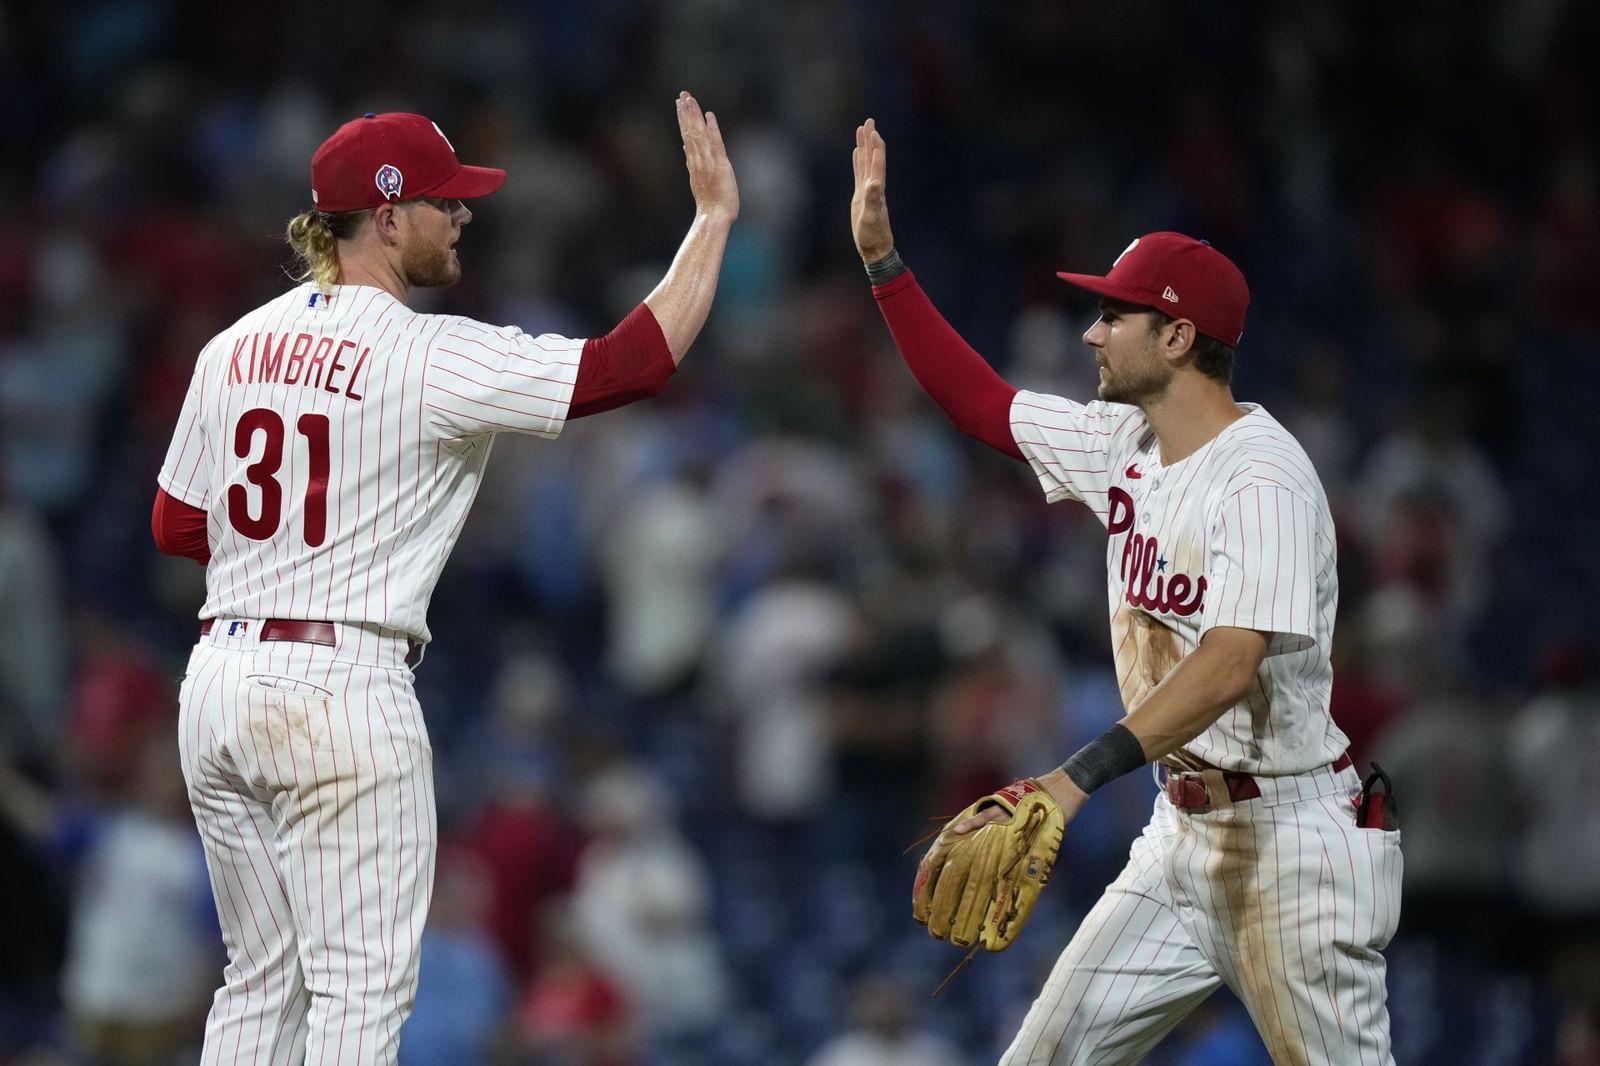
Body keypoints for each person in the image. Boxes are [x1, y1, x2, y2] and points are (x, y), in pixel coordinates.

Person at [151, 93, 738, 1064]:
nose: (465, 215)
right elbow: (629, 366)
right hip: (341, 683)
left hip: (218, 679)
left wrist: (287, 553)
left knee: (260, 984)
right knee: (359, 996)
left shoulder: (228, 347)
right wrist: (711, 222)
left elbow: (176, 525)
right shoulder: (429, 354)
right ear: (385, 218)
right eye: (444, 201)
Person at [849, 119, 1402, 1065]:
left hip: (1293, 840)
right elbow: (975, 400)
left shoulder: (1262, 476)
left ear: (1179, 336)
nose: (1092, 330)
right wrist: (884, 263)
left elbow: (1231, 663)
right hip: (1180, 835)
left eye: (1116, 315)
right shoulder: (1124, 446)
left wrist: (1070, 781)